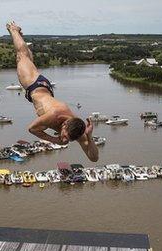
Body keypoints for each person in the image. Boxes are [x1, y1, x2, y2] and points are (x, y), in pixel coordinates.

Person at [6, 21, 99, 162]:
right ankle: (14, 30)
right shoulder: (54, 116)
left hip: (46, 90)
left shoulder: (77, 130)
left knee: (28, 60)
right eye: (65, 135)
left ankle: (20, 37)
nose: (64, 138)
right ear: (65, 125)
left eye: (67, 138)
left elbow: (94, 158)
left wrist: (89, 137)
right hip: (33, 86)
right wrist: (55, 140)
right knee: (22, 56)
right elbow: (32, 129)